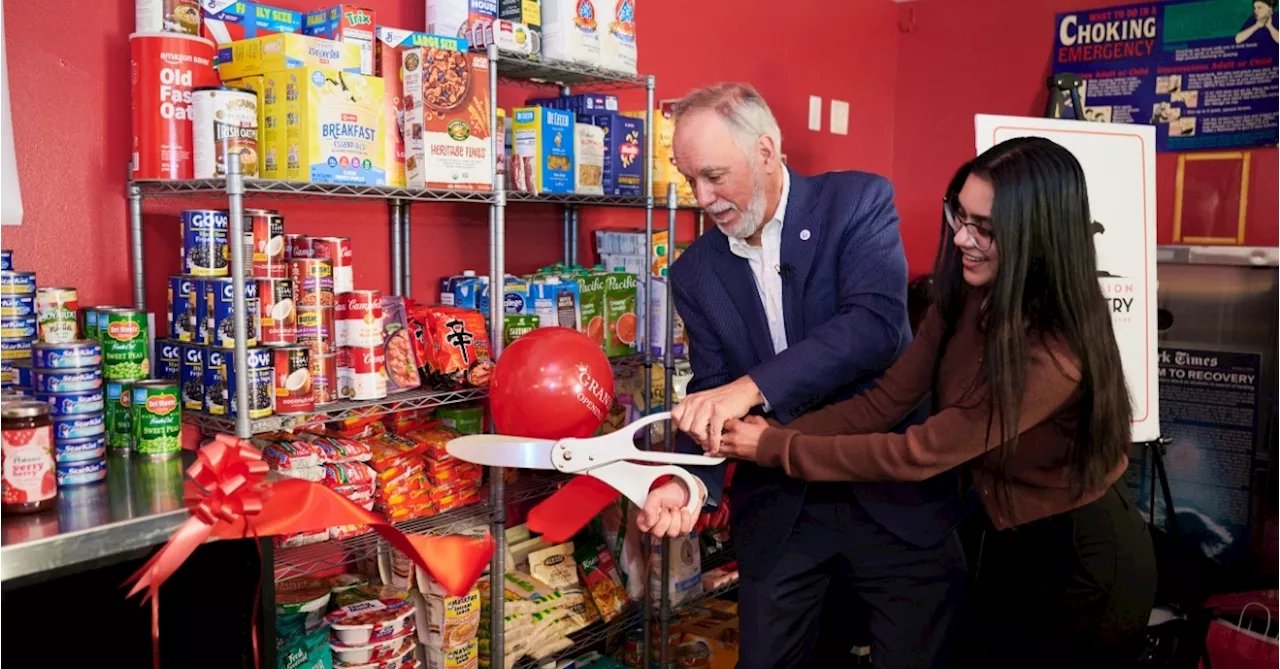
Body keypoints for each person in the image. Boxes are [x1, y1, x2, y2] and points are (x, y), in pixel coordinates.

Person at [713, 136, 1159, 668]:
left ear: (1039, 235)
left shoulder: (1053, 350)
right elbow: (884, 402)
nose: (963, 238)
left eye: (986, 229)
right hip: (997, 536)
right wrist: (773, 434)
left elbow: (917, 453)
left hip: (1078, 561)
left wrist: (775, 449)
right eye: (959, 215)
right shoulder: (966, 293)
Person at [634, 82, 970, 669]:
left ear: (766, 152)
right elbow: (710, 388)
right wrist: (687, 485)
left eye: (714, 175)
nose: (702, 197)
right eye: (689, 180)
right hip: (784, 510)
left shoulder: (857, 202)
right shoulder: (696, 273)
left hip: (889, 493)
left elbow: (873, 328)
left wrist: (749, 389)